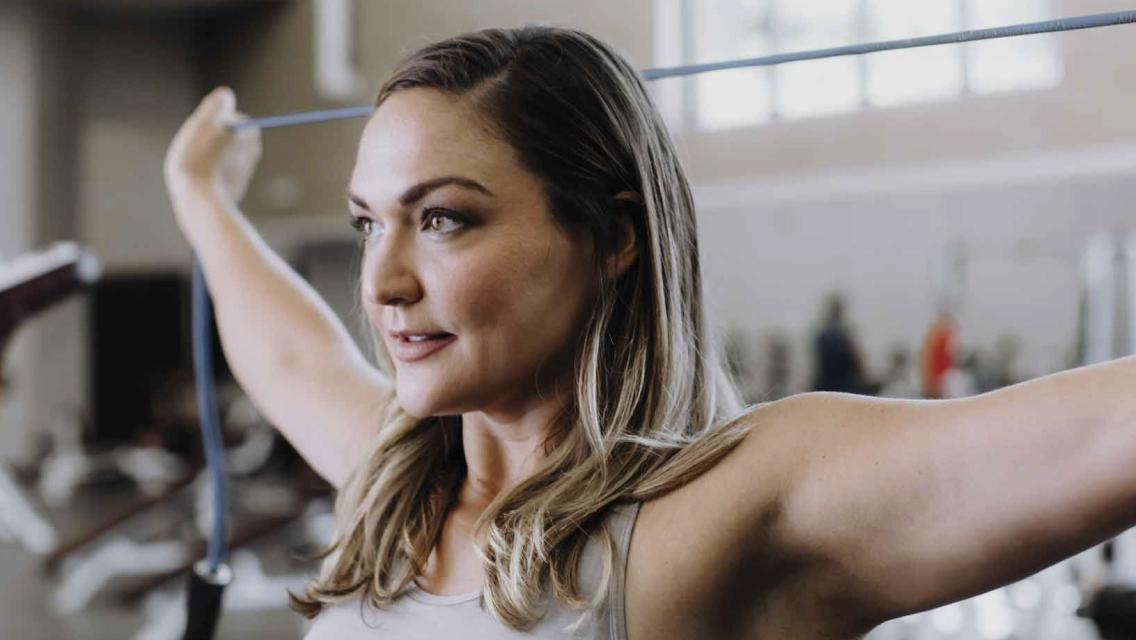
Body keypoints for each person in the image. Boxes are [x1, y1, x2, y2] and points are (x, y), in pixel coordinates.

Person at [164, 26, 1136, 639]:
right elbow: (294, 354)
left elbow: (1108, 430)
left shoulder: (711, 518)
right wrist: (198, 192)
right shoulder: (392, 482)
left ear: (613, 237)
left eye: (445, 218)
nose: (381, 281)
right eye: (367, 222)